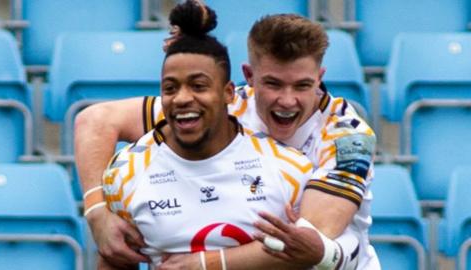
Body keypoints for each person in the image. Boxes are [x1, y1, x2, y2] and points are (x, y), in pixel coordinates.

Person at [75, 2, 379, 270]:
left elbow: (304, 243)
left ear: (319, 79)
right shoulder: (229, 105)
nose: (287, 101)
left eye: (301, 86)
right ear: (248, 77)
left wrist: (204, 265)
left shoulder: (347, 136)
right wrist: (97, 212)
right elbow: (95, 121)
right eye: (273, 84)